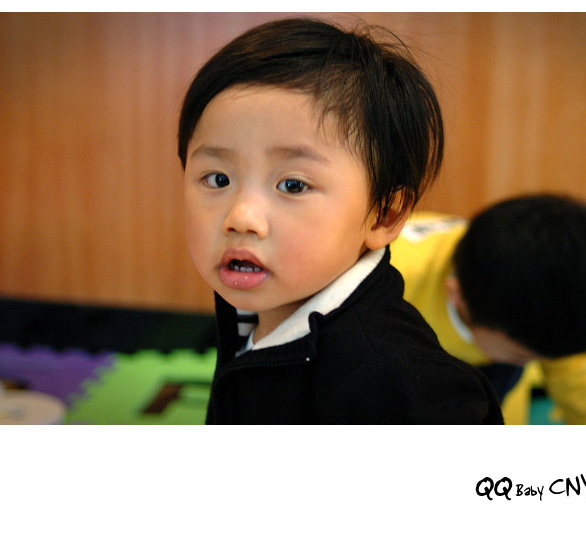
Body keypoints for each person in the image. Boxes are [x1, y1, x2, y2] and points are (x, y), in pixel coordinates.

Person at [176, 17, 503, 424]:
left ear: (384, 215)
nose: (240, 218)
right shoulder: (253, 312)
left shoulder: (403, 385)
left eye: (293, 185)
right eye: (218, 179)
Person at [390, 194, 586, 424]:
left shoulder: (544, 300)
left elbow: (579, 384)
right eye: (521, 357)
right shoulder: (389, 287)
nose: (526, 364)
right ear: (458, 295)